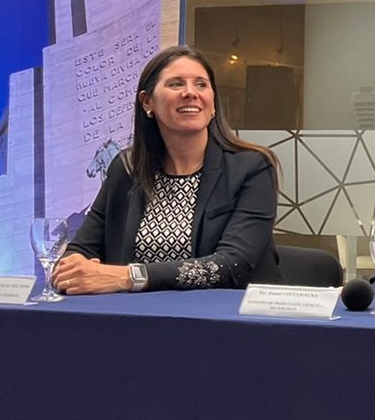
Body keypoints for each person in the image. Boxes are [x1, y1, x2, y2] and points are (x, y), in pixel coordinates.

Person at [54, 45, 280, 293]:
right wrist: (72, 268)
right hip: (133, 314)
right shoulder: (127, 168)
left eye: (201, 84)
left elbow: (231, 265)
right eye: (176, 84)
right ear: (147, 102)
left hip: (225, 314)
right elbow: (82, 248)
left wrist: (129, 276)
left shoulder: (252, 167)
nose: (190, 92)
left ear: (213, 103)